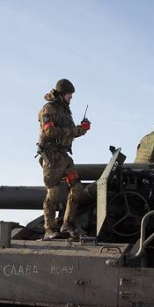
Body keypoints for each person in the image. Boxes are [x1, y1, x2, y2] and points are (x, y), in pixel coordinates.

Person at [37, 78, 90, 240]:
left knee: (77, 188)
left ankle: (67, 224)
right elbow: (49, 132)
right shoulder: (49, 109)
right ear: (61, 94)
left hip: (64, 156)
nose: (71, 98)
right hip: (52, 156)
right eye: (69, 94)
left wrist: (82, 129)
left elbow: (71, 132)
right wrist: (74, 130)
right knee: (53, 192)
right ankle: (49, 229)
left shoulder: (65, 111)